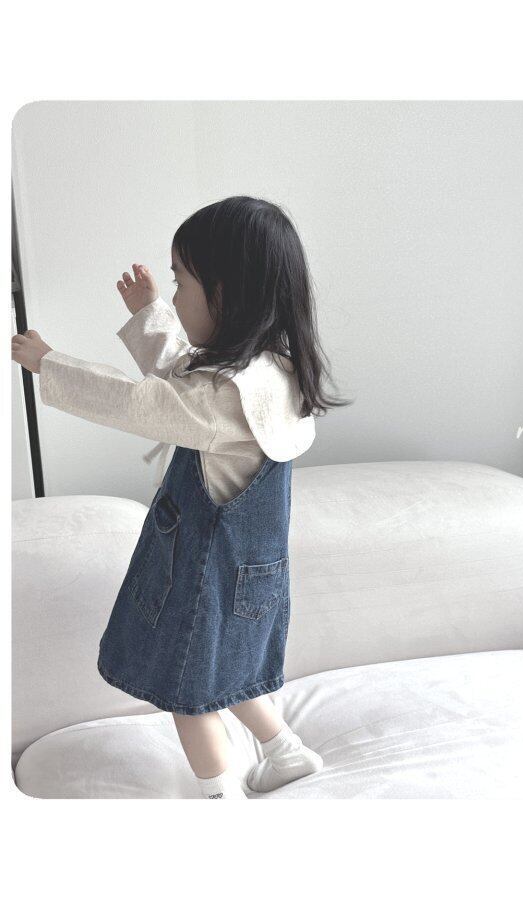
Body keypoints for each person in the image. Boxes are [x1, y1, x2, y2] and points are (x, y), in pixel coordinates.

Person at [11, 196, 352, 799]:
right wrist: (151, 312)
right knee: (231, 671)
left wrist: (50, 364)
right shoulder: (272, 374)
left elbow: (143, 402)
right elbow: (185, 378)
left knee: (189, 696)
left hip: (202, 577)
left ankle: (219, 799)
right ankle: (285, 750)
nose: (175, 294)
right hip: (256, 576)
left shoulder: (222, 400)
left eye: (181, 284)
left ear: (225, 294)